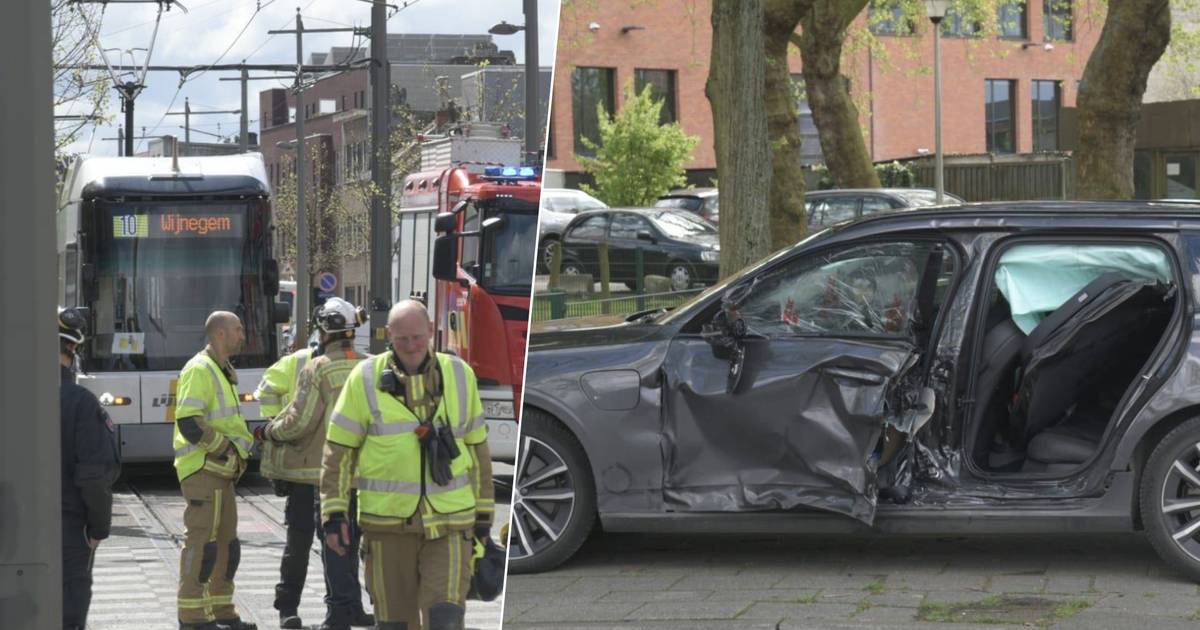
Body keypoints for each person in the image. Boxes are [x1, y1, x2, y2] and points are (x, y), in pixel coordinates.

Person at [319, 300, 495, 630]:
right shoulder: (365, 378)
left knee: (445, 618)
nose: (411, 347)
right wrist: (333, 515)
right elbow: (338, 452)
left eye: (417, 337)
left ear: (430, 332)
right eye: (402, 340)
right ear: (389, 337)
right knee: (395, 624)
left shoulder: (459, 375)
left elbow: (479, 453)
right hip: (386, 527)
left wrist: (484, 519)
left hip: (451, 524)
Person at [254, 298, 374, 630]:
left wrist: (269, 431)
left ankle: (294, 609)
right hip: (359, 476)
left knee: (303, 543)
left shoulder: (317, 367)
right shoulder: (371, 366)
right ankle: (349, 608)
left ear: (323, 331)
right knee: (348, 543)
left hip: (312, 476)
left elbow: (299, 421)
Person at [172, 311, 257, 630]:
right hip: (204, 469)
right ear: (220, 333)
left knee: (226, 545)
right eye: (238, 329)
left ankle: (221, 609)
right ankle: (192, 615)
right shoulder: (200, 369)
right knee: (202, 542)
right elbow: (189, 421)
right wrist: (225, 449)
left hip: (222, 471)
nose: (243, 335)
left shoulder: (222, 371)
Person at [58, 307, 120, 630]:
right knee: (69, 612)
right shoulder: (81, 402)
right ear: (71, 350)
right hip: (68, 531)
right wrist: (99, 529)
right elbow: (94, 476)